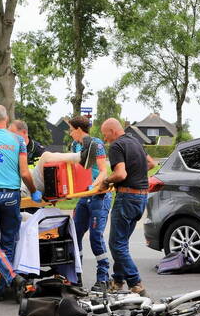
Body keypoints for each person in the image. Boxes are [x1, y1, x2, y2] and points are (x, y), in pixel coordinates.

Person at [0, 104, 41, 301]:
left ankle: (4, 285)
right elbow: (24, 173)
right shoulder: (18, 140)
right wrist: (34, 191)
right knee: (8, 242)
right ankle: (4, 285)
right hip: (11, 195)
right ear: (6, 119)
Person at [100, 117, 157, 296]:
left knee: (116, 244)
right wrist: (135, 174)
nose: (105, 139)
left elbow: (120, 174)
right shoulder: (135, 142)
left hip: (126, 198)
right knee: (122, 242)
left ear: (112, 131)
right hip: (141, 198)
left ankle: (135, 283)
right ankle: (118, 281)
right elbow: (151, 163)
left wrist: (106, 181)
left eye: (105, 135)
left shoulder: (116, 146)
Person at [67, 116, 111, 291]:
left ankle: (103, 278)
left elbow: (103, 171)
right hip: (83, 197)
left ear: (79, 130)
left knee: (95, 237)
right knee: (74, 235)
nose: (70, 133)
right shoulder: (74, 146)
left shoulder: (96, 144)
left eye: (71, 130)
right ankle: (76, 276)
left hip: (99, 196)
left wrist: (93, 186)